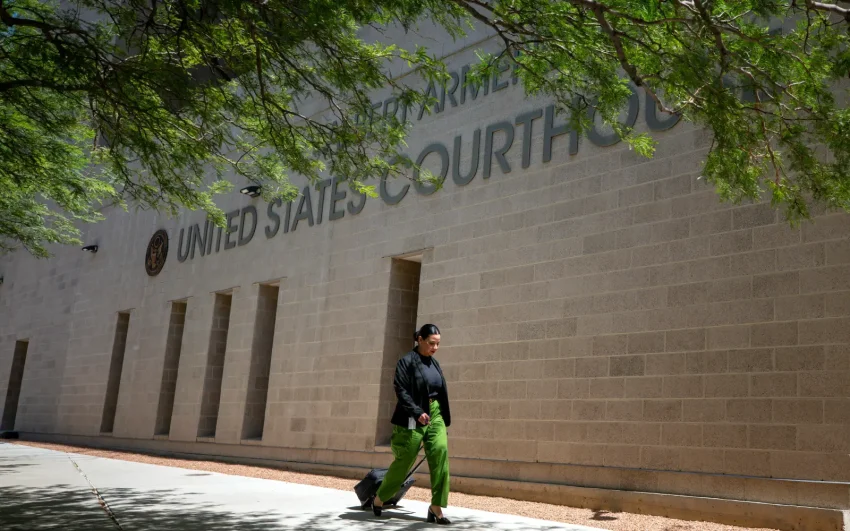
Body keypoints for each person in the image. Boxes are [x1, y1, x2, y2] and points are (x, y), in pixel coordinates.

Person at [371, 323, 452, 525]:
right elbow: (401, 390)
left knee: (440, 452)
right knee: (406, 458)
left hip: (435, 414)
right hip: (412, 415)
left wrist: (440, 414)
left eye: (438, 344)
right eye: (431, 343)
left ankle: (436, 507)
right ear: (420, 340)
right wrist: (417, 412)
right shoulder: (406, 362)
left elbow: (440, 392)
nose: (435, 348)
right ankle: (380, 497)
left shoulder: (435, 364)